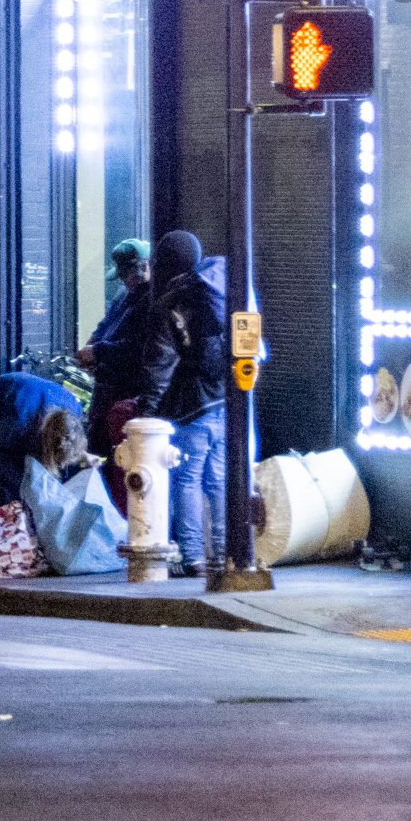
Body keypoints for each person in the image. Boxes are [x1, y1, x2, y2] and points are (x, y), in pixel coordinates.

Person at [137, 230, 228, 578]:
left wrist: (148, 411)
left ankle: (193, 557)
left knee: (188, 479)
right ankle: (223, 553)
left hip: (192, 405)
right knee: (219, 479)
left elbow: (160, 364)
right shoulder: (222, 287)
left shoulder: (170, 303)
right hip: (227, 398)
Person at [0, 370, 90, 511]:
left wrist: (82, 456)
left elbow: (67, 442)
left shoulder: (76, 411)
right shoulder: (18, 422)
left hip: (28, 394)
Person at [79, 238, 152, 461]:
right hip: (105, 387)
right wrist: (90, 345)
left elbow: (137, 349)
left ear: (145, 268)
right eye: (123, 276)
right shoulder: (123, 295)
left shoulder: (151, 302)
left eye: (129, 276)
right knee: (97, 447)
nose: (126, 282)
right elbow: (106, 324)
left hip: (125, 389)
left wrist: (98, 351)